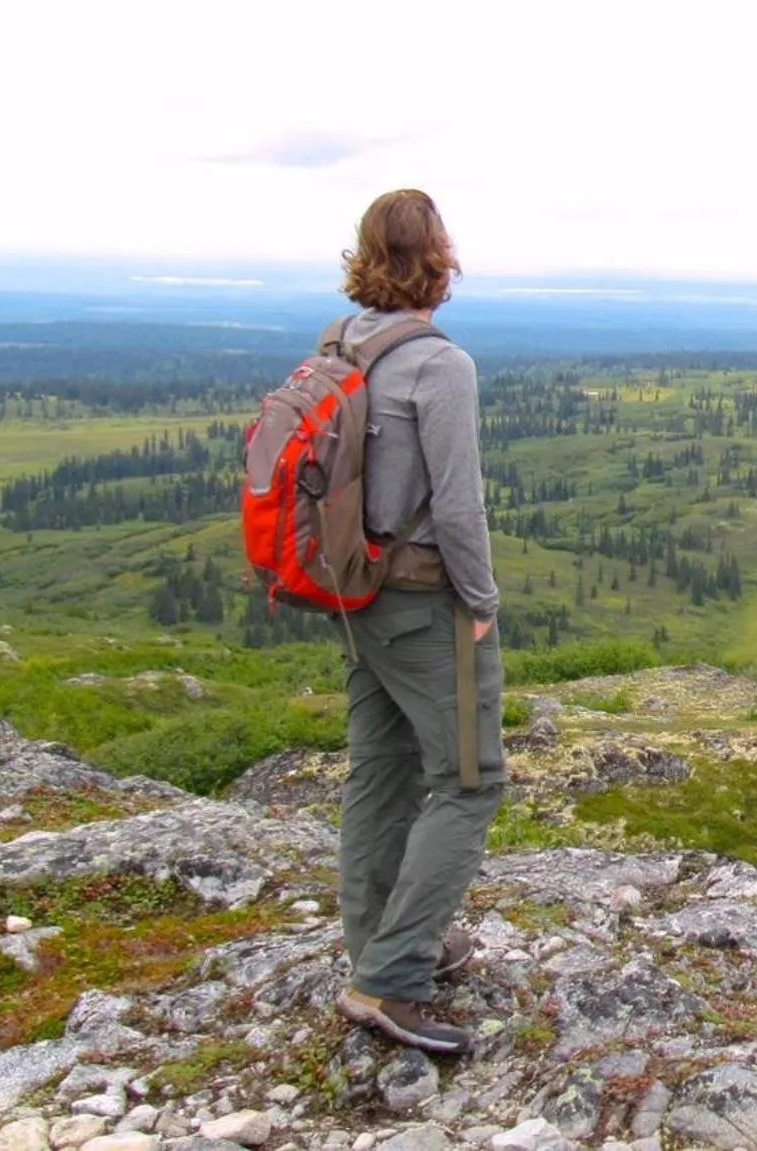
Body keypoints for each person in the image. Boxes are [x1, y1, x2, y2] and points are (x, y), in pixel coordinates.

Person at [328, 189, 505, 1054]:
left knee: (381, 768)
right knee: (470, 781)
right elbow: (459, 507)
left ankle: (379, 946)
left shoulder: (343, 345)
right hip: (422, 599)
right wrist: (482, 602)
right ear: (439, 258)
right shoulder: (440, 364)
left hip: (356, 594)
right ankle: (391, 978)